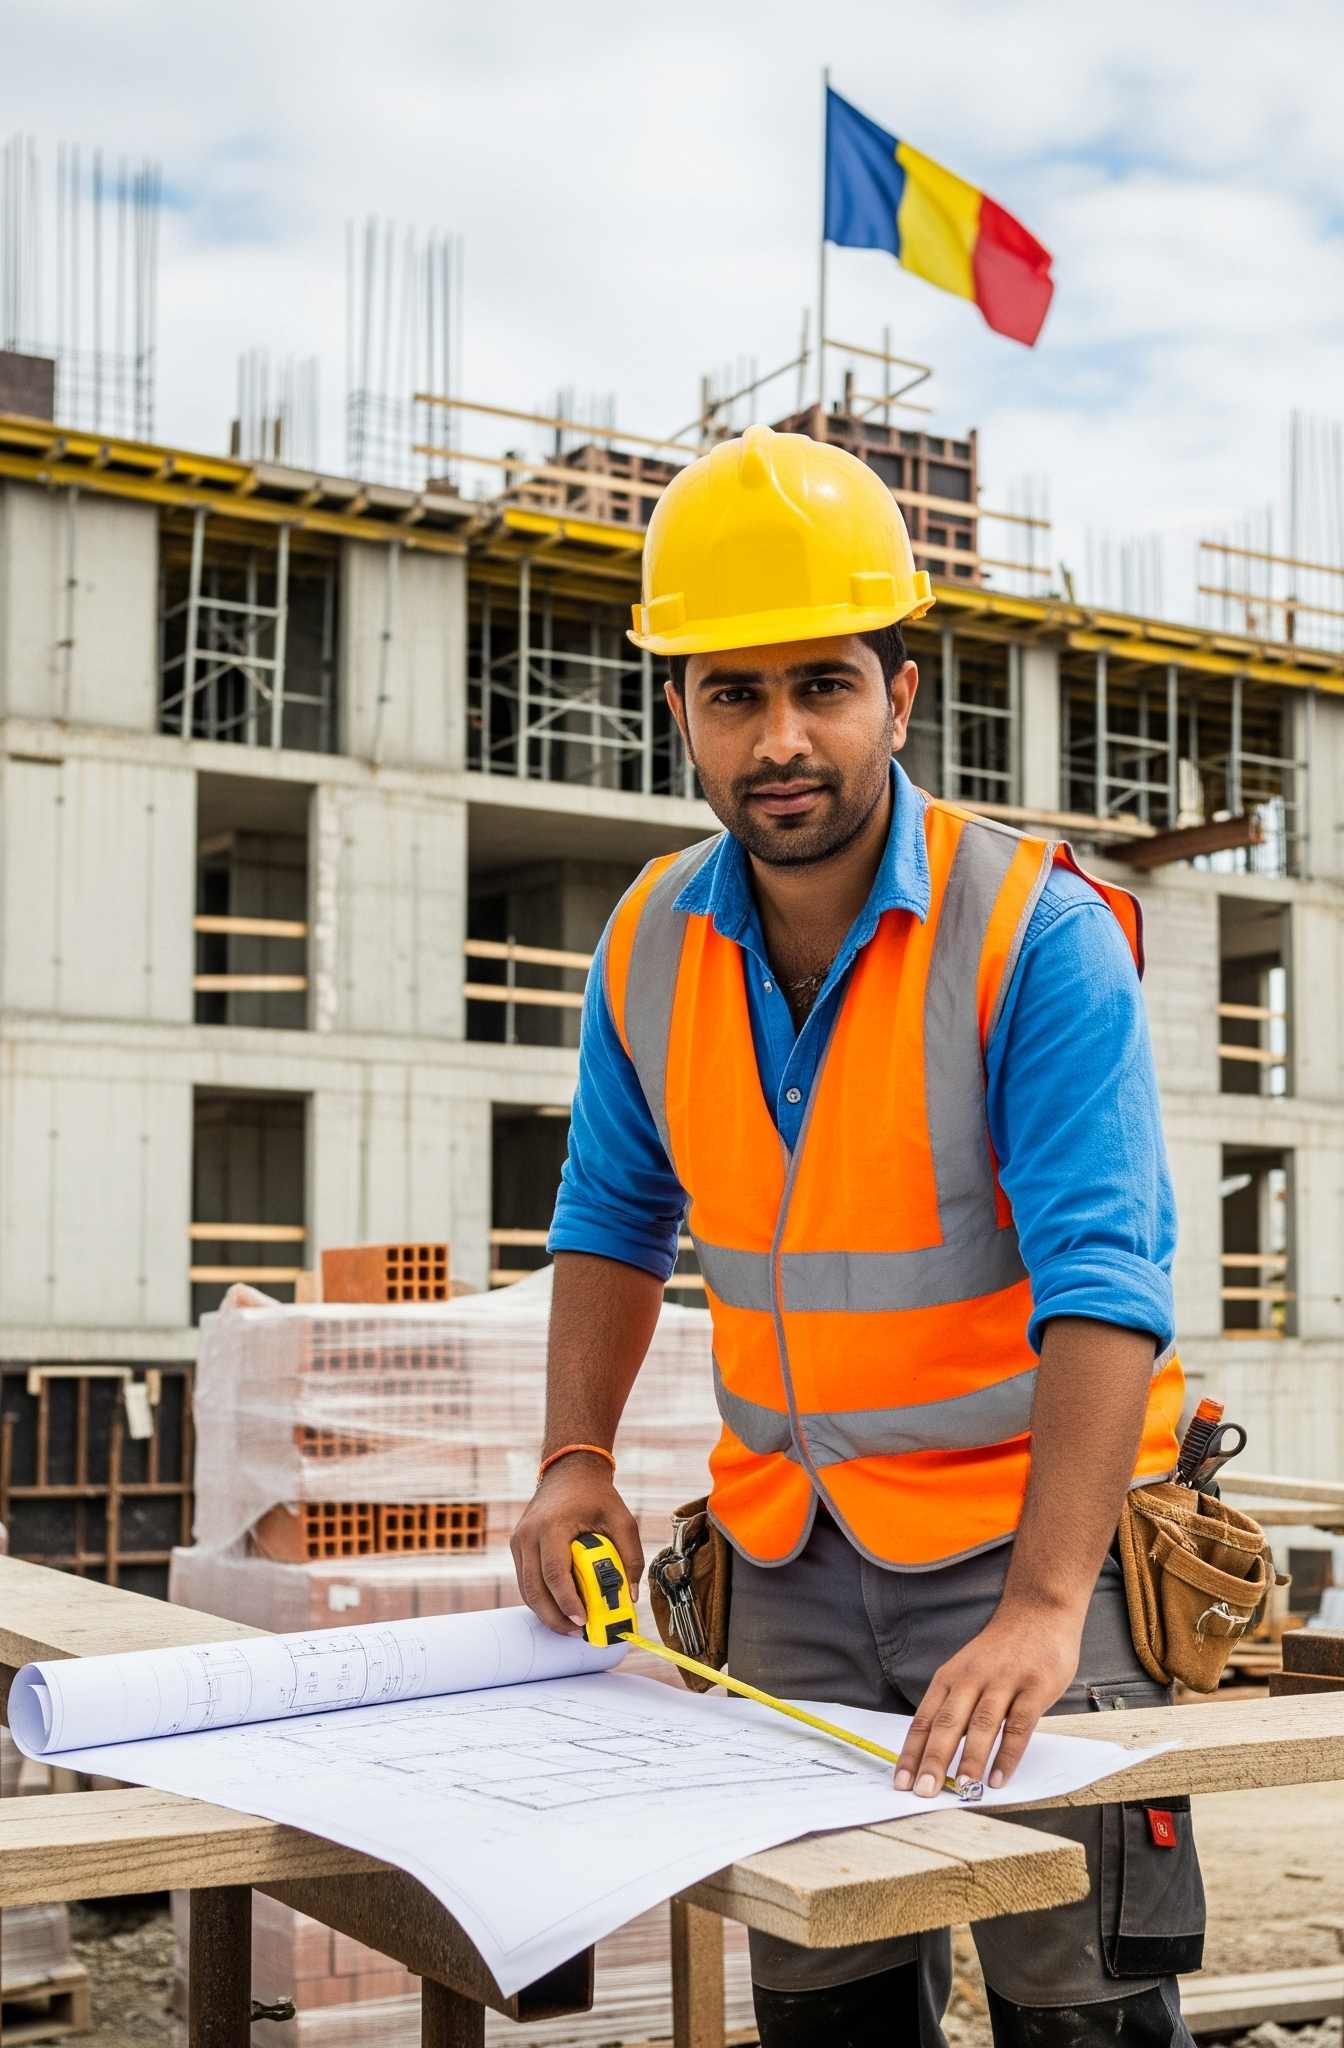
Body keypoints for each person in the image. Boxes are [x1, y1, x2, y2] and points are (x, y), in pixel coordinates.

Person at [511, 424, 1202, 2048]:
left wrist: (1043, 1609)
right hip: (788, 1568)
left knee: (1082, 2013)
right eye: (732, 694)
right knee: (825, 2014)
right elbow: (613, 1216)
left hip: (1039, 1558)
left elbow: (1108, 1281)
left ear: (902, 689)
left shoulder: (1035, 932)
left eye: (822, 683)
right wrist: (571, 1459)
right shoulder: (646, 942)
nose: (782, 738)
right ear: (674, 709)